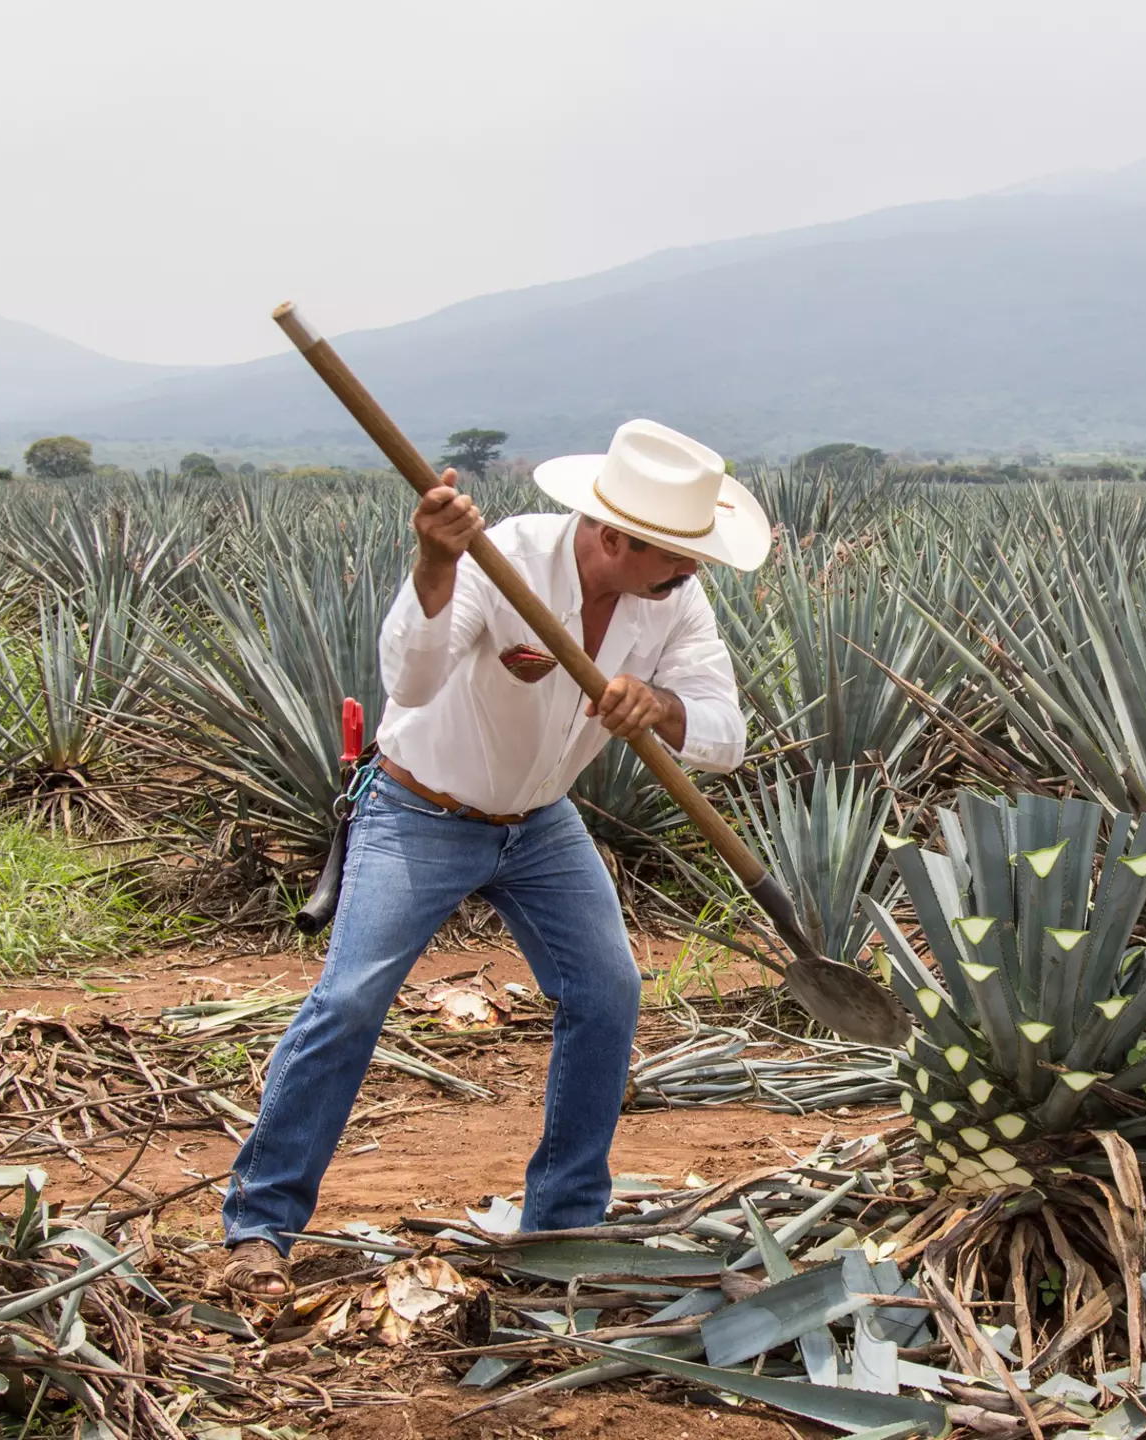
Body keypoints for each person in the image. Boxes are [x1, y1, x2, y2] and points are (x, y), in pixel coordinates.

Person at [220, 419, 771, 1297]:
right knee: (353, 995)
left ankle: (563, 1221)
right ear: (613, 536)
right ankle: (261, 1223)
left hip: (541, 822)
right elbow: (411, 679)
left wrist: (658, 706)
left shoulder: (674, 601)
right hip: (419, 810)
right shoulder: (499, 555)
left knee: (607, 990)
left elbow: (723, 733)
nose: (691, 569)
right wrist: (436, 567)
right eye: (675, 553)